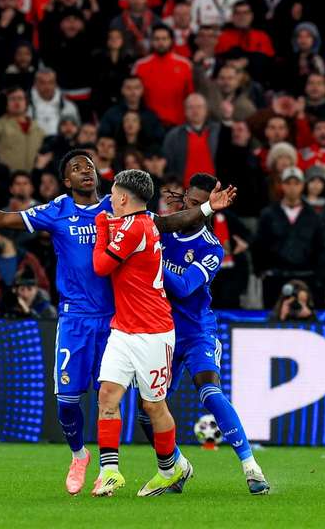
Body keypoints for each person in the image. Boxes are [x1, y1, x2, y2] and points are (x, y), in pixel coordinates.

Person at [0, 149, 234, 496]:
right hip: (75, 319)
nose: (85, 171)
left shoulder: (119, 206)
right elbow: (6, 220)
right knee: (67, 401)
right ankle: (80, 456)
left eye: (90, 166)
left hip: (115, 320)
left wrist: (207, 208)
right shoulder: (57, 210)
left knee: (117, 397)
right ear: (67, 180)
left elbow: (169, 223)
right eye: (77, 168)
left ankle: (118, 470)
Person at [152, 172, 269, 494]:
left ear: (209, 209)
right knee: (149, 409)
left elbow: (183, 287)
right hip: (160, 332)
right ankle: (176, 465)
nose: (188, 209)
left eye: (197, 205)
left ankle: (251, 467)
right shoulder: (162, 229)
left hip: (196, 331)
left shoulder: (211, 249)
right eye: (187, 202)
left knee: (209, 391)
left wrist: (152, 259)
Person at [90, 169, 191, 497]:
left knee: (153, 406)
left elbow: (101, 266)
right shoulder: (140, 222)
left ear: (122, 198)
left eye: (112, 195)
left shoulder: (135, 227)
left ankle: (170, 470)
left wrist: (101, 228)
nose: (109, 201)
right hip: (123, 328)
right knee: (107, 395)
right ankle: (109, 472)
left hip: (153, 331)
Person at [252, 166, 325, 309]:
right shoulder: (268, 214)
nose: (292, 188)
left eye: (296, 183)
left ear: (302, 185)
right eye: (288, 183)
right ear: (282, 185)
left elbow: (322, 247)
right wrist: (261, 271)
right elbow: (259, 245)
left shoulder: (314, 216)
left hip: (307, 277)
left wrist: (319, 275)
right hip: (275, 278)